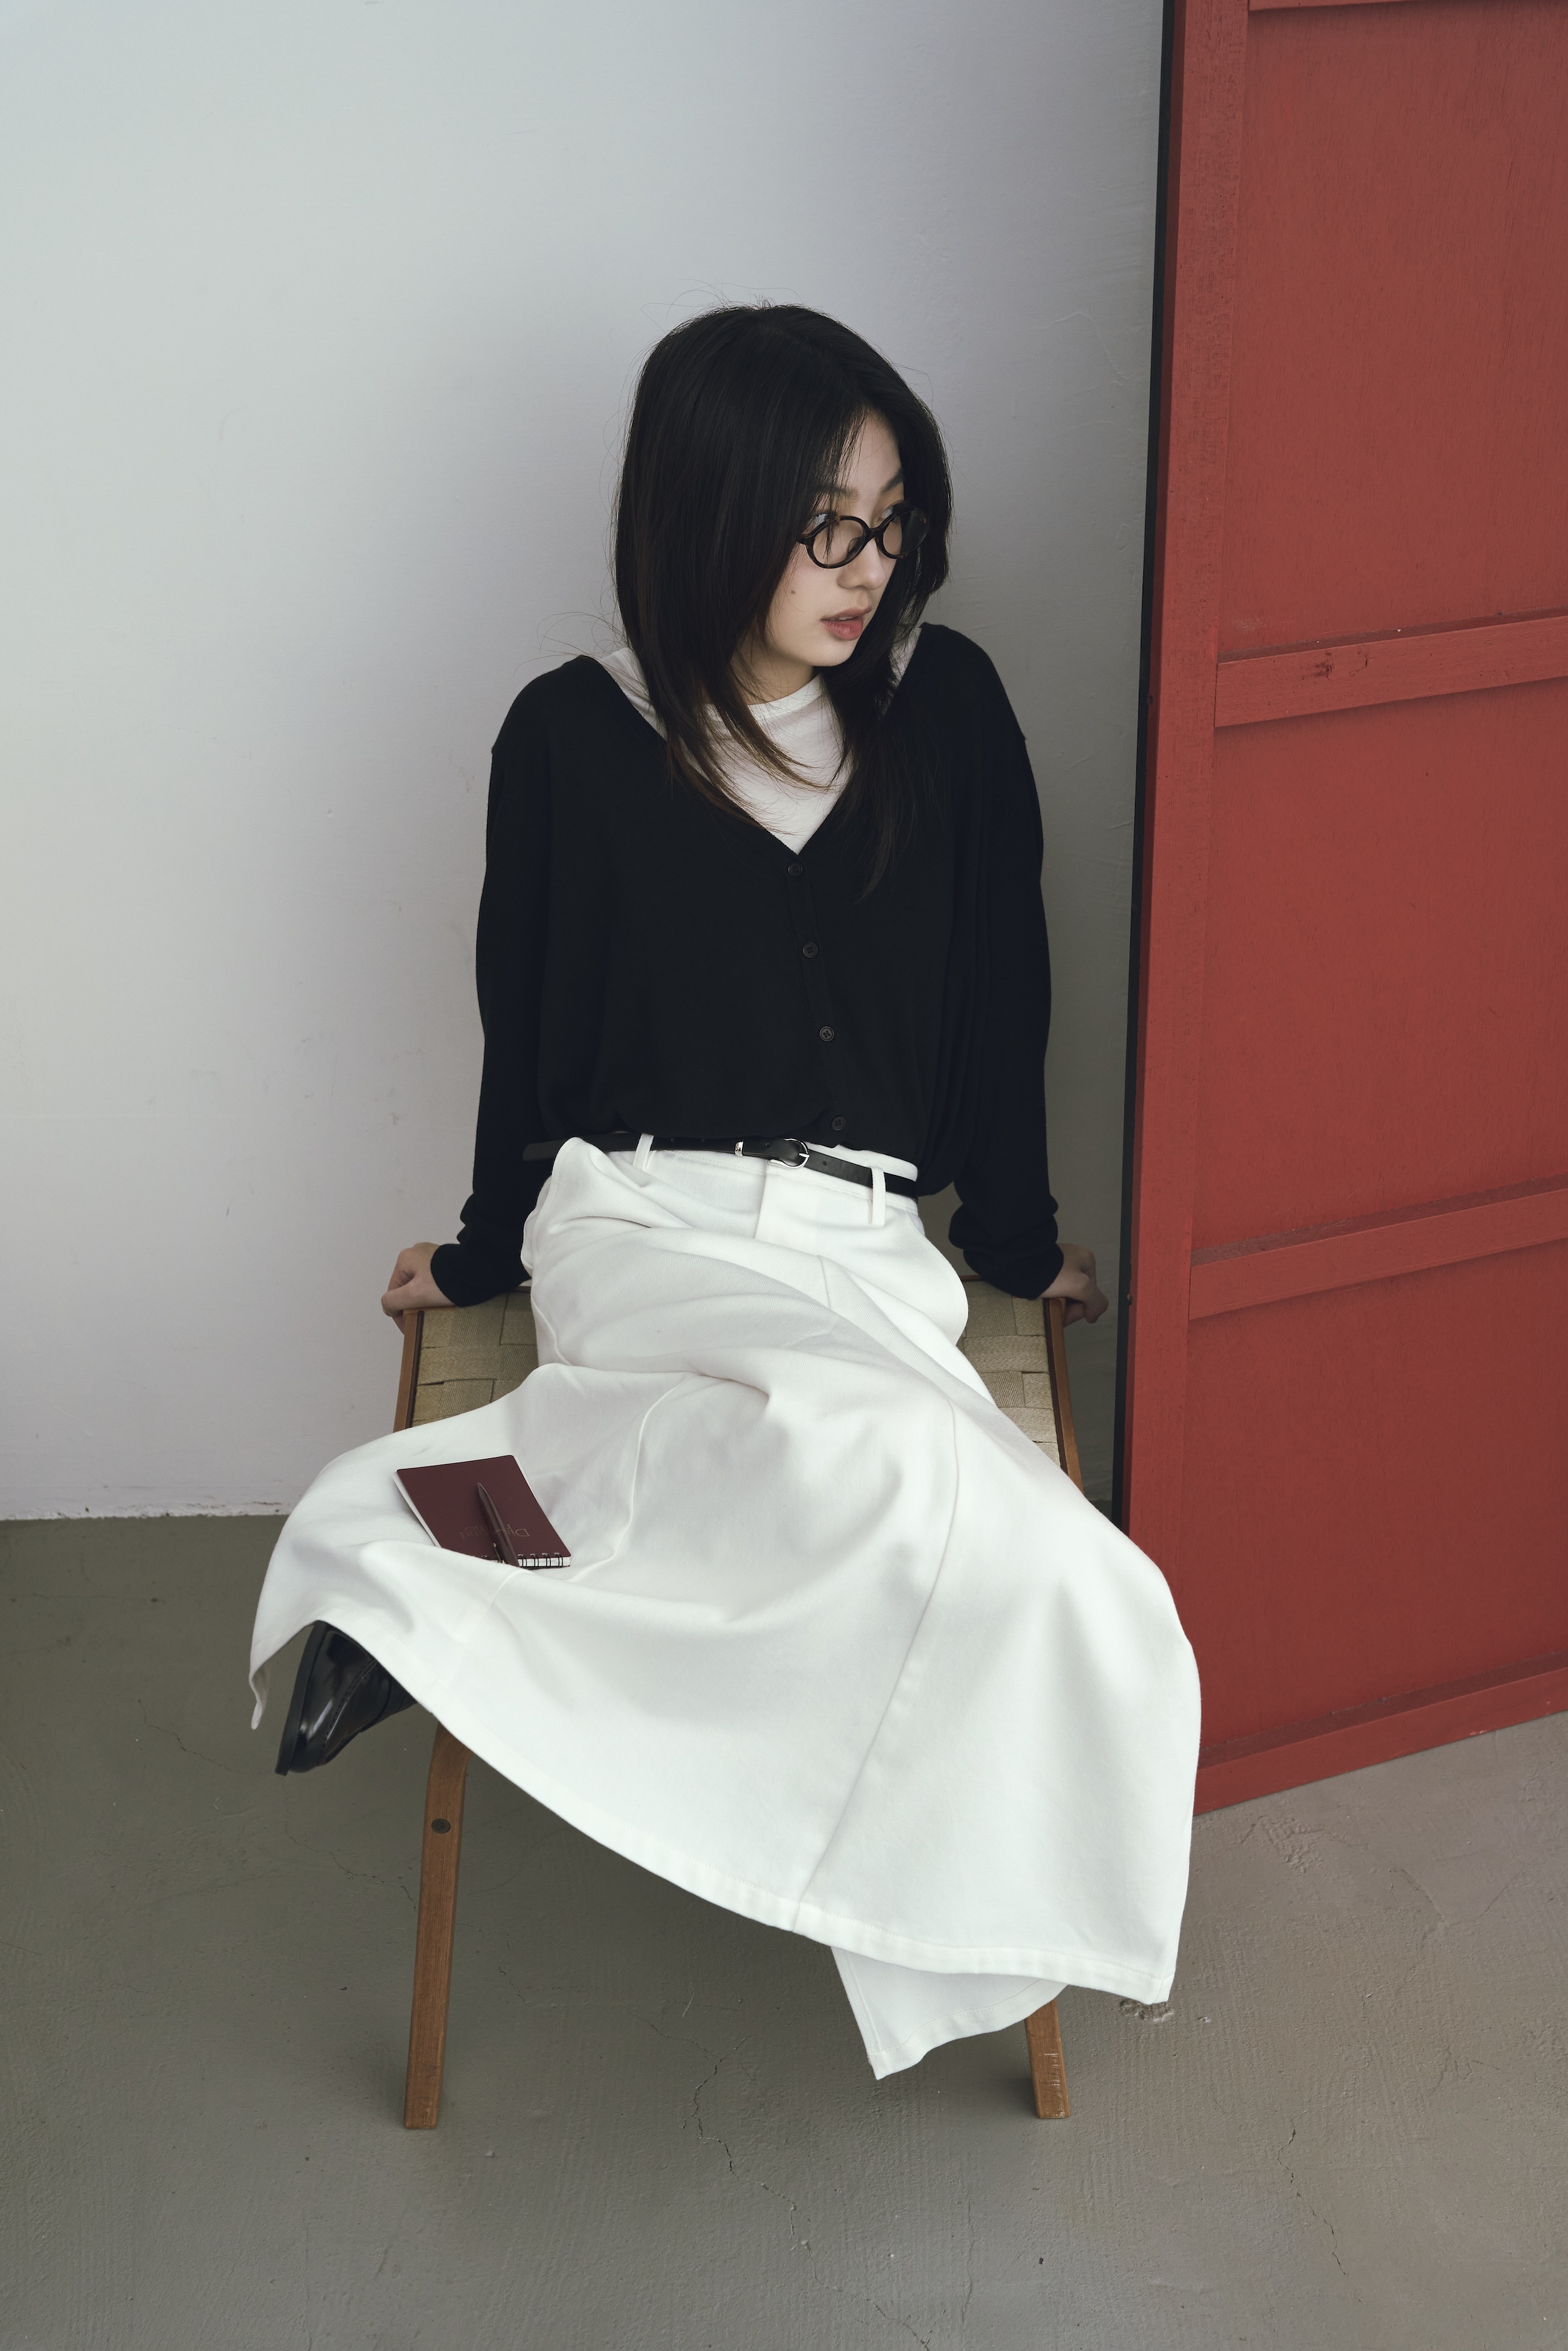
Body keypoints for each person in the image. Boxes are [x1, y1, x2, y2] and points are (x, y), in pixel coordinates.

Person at [251, 304, 1200, 2080]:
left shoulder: (946, 709)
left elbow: (1005, 999)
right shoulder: (570, 734)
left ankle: (445, 1573)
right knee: (886, 1463)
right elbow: (524, 1024)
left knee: (1065, 1581)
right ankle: (441, 1569)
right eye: (824, 525)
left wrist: (1012, 1241)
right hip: (642, 1220)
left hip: (864, 1244)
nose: (868, 566)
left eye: (891, 521)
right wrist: (481, 1250)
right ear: (709, 511)